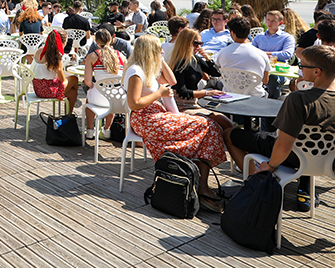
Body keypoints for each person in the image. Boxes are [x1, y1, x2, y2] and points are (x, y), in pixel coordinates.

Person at [225, 45, 335, 213]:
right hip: (330, 163)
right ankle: (303, 190)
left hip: (294, 158)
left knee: (230, 133)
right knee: (294, 141)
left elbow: (283, 146)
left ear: (317, 71)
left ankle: (257, 181)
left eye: (302, 65)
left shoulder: (298, 100)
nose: (300, 69)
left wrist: (270, 166)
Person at [125, 34, 230, 211]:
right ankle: (201, 186)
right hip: (145, 118)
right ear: (149, 51)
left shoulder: (146, 68)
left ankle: (200, 184)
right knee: (208, 126)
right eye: (158, 49)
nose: (162, 51)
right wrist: (158, 94)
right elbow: (134, 103)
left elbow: (172, 81)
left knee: (210, 127)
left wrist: (160, 60)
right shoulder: (136, 72)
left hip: (155, 115)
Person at [83, 28, 126, 140]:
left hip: (99, 97)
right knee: (111, 96)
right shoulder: (121, 56)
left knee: (89, 96)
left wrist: (93, 86)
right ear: (111, 39)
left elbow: (87, 81)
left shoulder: (92, 56)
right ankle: (107, 130)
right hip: (117, 97)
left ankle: (90, 130)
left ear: (96, 42)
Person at [168, 28, 224, 111]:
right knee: (221, 120)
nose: (199, 47)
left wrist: (207, 58)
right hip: (183, 105)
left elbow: (216, 73)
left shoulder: (195, 59)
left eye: (201, 43)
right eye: (196, 44)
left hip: (195, 101)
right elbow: (182, 92)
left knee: (223, 118)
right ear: (185, 43)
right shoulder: (179, 63)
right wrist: (207, 93)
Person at [214, 17, 272, 96]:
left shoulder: (222, 53)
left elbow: (220, 73)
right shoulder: (261, 54)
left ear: (232, 33)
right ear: (248, 33)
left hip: (230, 95)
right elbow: (265, 81)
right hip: (255, 97)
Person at [32, 30, 79, 114]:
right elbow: (62, 79)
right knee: (74, 79)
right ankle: (68, 116)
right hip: (48, 90)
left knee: (72, 93)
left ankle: (71, 106)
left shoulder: (40, 50)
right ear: (63, 42)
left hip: (37, 88)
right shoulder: (55, 56)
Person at [252, 10, 296, 98]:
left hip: (278, 70)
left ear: (281, 23)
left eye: (273, 21)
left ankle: (273, 103)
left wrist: (265, 53)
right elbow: (251, 52)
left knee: (272, 78)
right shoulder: (259, 37)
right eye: (268, 20)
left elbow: (287, 54)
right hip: (259, 67)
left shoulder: (287, 37)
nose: (269, 22)